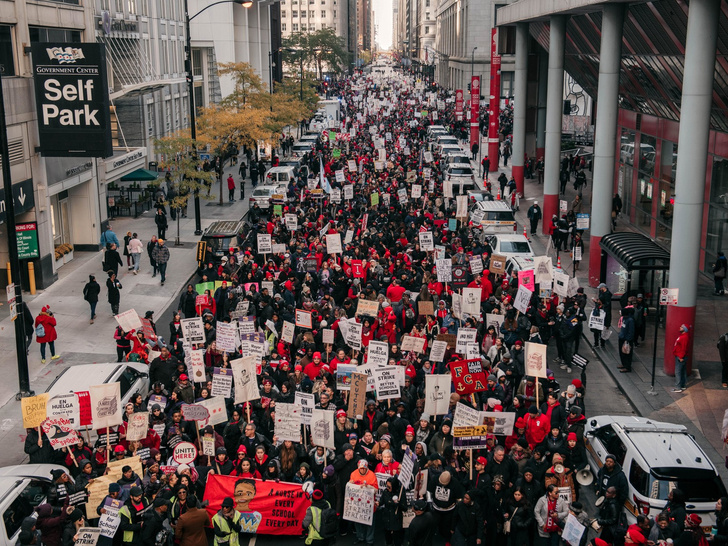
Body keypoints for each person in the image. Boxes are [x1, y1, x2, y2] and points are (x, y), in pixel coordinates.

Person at [617, 306, 635, 373]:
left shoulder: (630, 321)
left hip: (626, 339)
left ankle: (627, 367)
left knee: (627, 353)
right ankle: (623, 364)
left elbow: (631, 331)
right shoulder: (624, 318)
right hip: (622, 337)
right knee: (622, 352)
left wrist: (627, 340)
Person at [673, 324, 689, 393]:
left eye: (682, 327)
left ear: (684, 329)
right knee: (682, 371)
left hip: (680, 356)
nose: (680, 327)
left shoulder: (684, 337)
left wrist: (681, 357)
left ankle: (678, 387)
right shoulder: (684, 336)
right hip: (681, 356)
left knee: (678, 371)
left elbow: (683, 348)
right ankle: (683, 385)